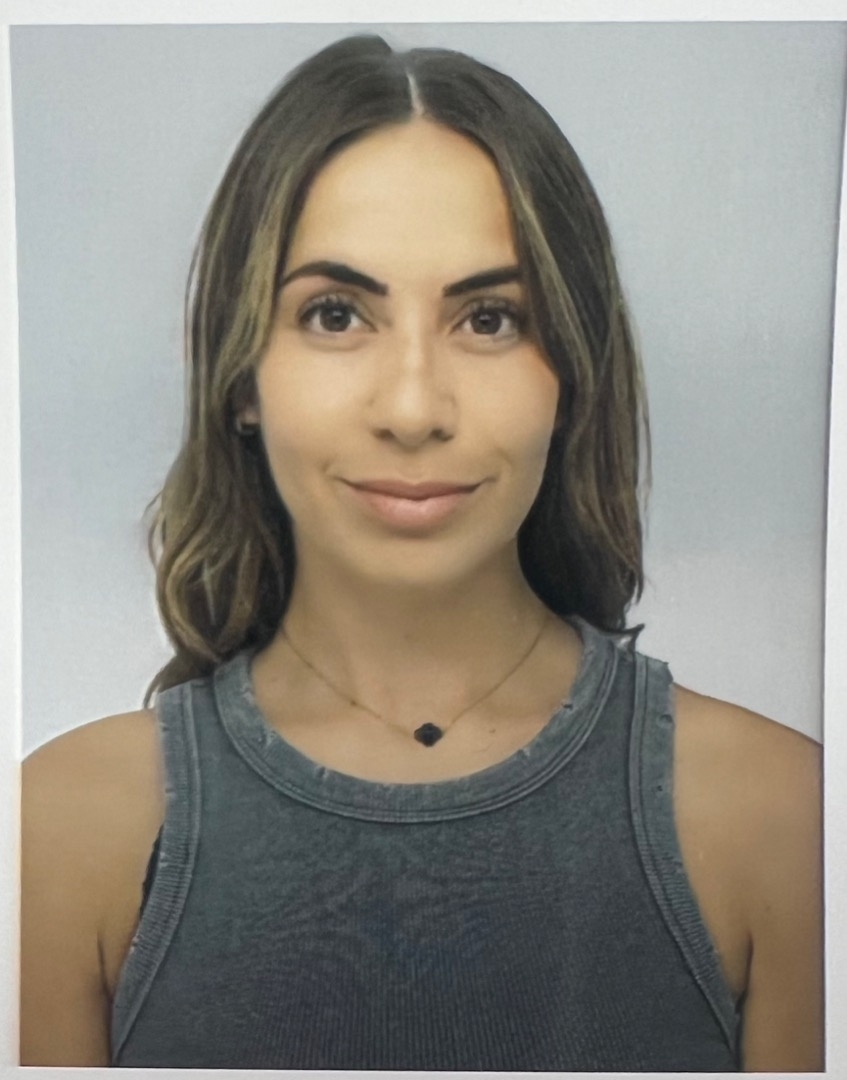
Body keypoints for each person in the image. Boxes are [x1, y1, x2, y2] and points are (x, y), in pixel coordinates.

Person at [20, 33, 823, 1072]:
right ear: (240, 375)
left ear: (571, 375)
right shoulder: (54, 836)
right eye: (335, 314)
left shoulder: (787, 824)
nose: (411, 408)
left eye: (488, 319)